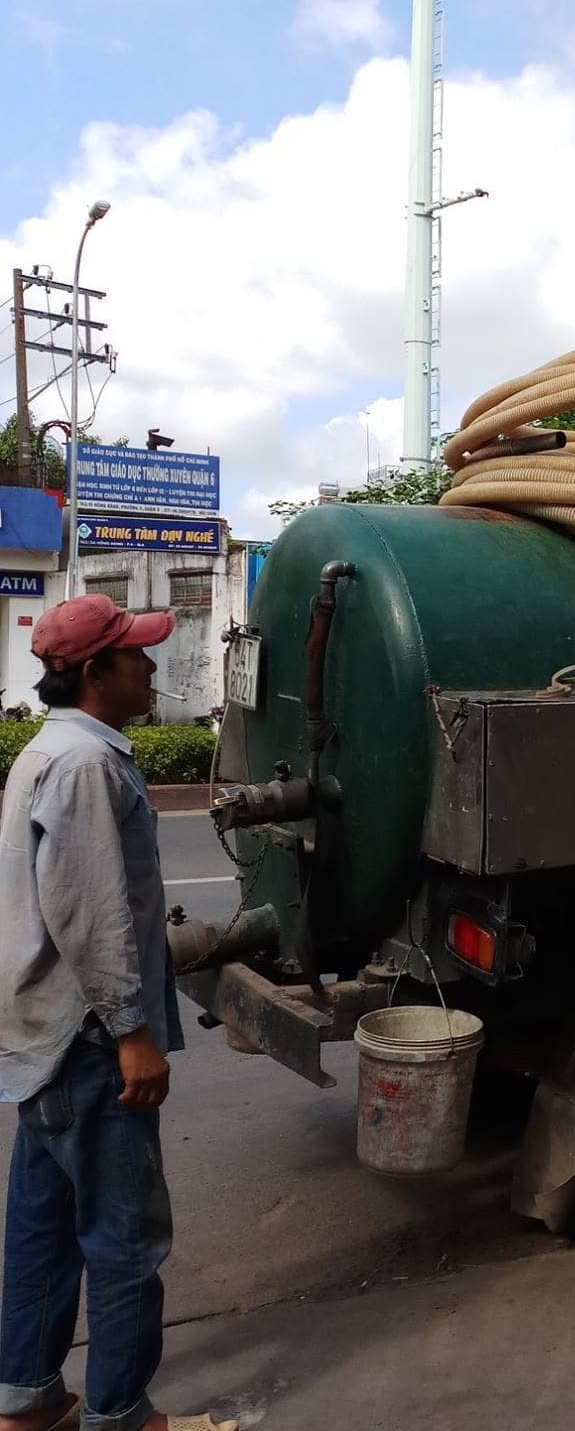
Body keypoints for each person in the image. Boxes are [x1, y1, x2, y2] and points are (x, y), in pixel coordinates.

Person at [0, 595, 236, 1431]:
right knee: (126, 1241)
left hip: (44, 1040)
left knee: (44, 1226)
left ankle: (27, 1401)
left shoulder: (52, 752)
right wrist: (135, 1036)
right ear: (94, 672)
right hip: (89, 1041)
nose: (151, 667)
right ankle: (122, 1416)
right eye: (134, 655)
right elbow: (91, 915)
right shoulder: (86, 767)